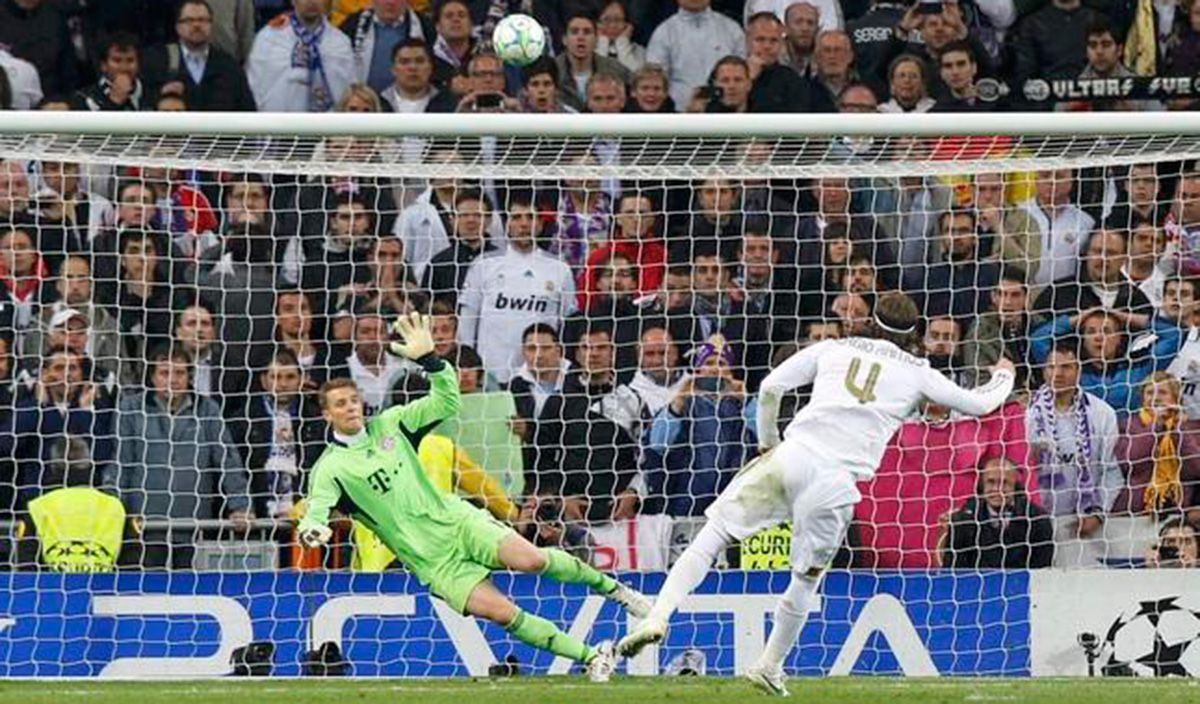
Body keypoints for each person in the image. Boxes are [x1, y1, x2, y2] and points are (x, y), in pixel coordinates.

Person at [618, 292, 1016, 695]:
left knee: (713, 536)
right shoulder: (919, 372)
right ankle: (769, 664)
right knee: (805, 580)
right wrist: (1004, 374)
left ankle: (659, 614)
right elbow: (981, 405)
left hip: (792, 455)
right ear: (914, 333)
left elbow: (771, 385)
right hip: (834, 483)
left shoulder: (833, 348)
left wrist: (769, 442)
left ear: (869, 322)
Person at [295, 312, 649, 681]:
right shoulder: (330, 468)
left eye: (353, 400)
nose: (351, 407)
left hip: (458, 521)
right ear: (326, 415)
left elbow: (447, 401)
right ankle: (592, 657)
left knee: (531, 561)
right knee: (503, 614)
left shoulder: (392, 423)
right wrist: (313, 529)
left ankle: (617, 590)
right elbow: (315, 511)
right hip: (431, 560)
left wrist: (432, 361)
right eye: (340, 404)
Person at [939, 456, 1055, 569]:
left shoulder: (1038, 520)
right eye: (990, 482)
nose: (996, 489)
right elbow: (954, 573)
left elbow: (1042, 573)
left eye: (1004, 483)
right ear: (982, 486)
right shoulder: (962, 521)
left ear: (1015, 486)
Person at [142, 0, 256, 112]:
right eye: (189, 20)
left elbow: (247, 111)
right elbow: (143, 103)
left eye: (202, 20)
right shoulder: (156, 61)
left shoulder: (229, 66)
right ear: (177, 26)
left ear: (211, 25)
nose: (196, 25)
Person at [246, 0, 356, 112]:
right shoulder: (268, 38)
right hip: (279, 125)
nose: (311, 2)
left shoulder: (341, 42)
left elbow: (349, 92)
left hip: (328, 125)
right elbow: (255, 88)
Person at [646, 0, 744, 111]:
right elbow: (655, 80)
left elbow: (744, 75)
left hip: (728, 115)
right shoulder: (663, 33)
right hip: (679, 117)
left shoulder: (731, 29)